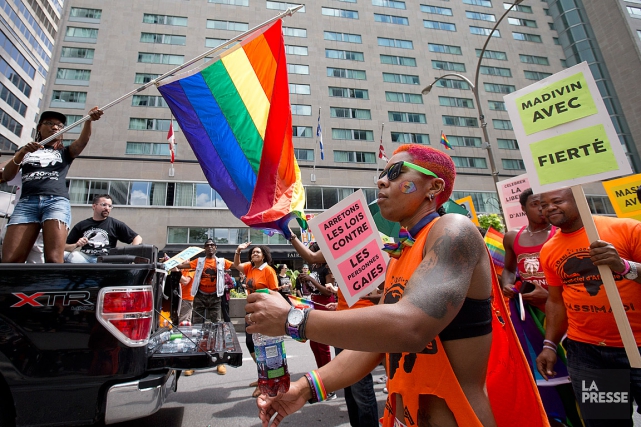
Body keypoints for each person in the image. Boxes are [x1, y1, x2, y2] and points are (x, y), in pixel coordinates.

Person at [247, 144, 547, 427]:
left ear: (434, 187)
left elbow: (410, 328)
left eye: (395, 173)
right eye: (381, 175)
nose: (381, 182)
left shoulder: (454, 230)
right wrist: (305, 387)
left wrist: (293, 319)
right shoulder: (401, 255)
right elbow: (380, 344)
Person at [536, 188, 641, 426]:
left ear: (578, 199)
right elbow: (556, 300)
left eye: (557, 201)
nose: (549, 207)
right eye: (543, 204)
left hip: (638, 345)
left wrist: (624, 267)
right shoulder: (550, 249)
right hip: (589, 354)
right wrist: (549, 344)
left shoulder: (627, 229)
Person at [502, 189, 580, 427]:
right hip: (529, 315)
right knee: (543, 372)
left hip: (565, 313)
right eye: (537, 204)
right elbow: (508, 268)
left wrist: (550, 296)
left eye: (547, 204)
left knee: (575, 375)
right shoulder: (512, 237)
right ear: (523, 208)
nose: (543, 209)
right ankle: (554, 417)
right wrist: (507, 283)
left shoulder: (560, 234)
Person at [287, 234, 376, 425]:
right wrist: (338, 306)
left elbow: (381, 293)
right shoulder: (338, 253)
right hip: (342, 322)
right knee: (349, 386)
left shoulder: (369, 251)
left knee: (361, 387)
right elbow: (312, 257)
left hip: (360, 324)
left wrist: (291, 236)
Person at [1, 108, 103, 263]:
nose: (55, 127)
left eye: (59, 126)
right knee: (11, 260)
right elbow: (7, 175)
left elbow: (82, 141)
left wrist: (88, 121)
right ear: (39, 127)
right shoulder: (25, 151)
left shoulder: (65, 152)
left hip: (56, 202)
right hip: (27, 203)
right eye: (49, 123)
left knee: (54, 258)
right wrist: (22, 153)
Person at [174, 238, 232, 375]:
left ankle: (220, 361)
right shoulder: (198, 261)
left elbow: (237, 265)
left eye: (212, 245)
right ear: (204, 248)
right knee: (196, 329)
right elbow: (183, 266)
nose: (210, 247)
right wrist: (172, 263)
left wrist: (240, 253)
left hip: (215, 298)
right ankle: (193, 363)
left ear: (216, 248)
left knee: (217, 328)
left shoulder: (221, 262)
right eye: (207, 245)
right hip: (200, 296)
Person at [233, 242, 279, 398]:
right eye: (252, 253)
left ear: (264, 255)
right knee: (250, 342)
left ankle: (265, 381)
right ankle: (263, 375)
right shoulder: (249, 268)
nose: (254, 254)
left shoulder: (268, 270)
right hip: (251, 310)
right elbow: (236, 265)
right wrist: (238, 250)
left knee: (262, 344)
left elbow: (274, 293)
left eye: (258, 252)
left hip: (263, 311)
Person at [64, 194, 142, 263]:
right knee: (64, 255)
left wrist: (133, 255)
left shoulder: (115, 224)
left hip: (105, 261)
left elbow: (137, 238)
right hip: (84, 259)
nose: (107, 208)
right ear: (94, 206)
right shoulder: (81, 225)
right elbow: (64, 247)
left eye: (110, 206)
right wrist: (76, 244)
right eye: (104, 205)